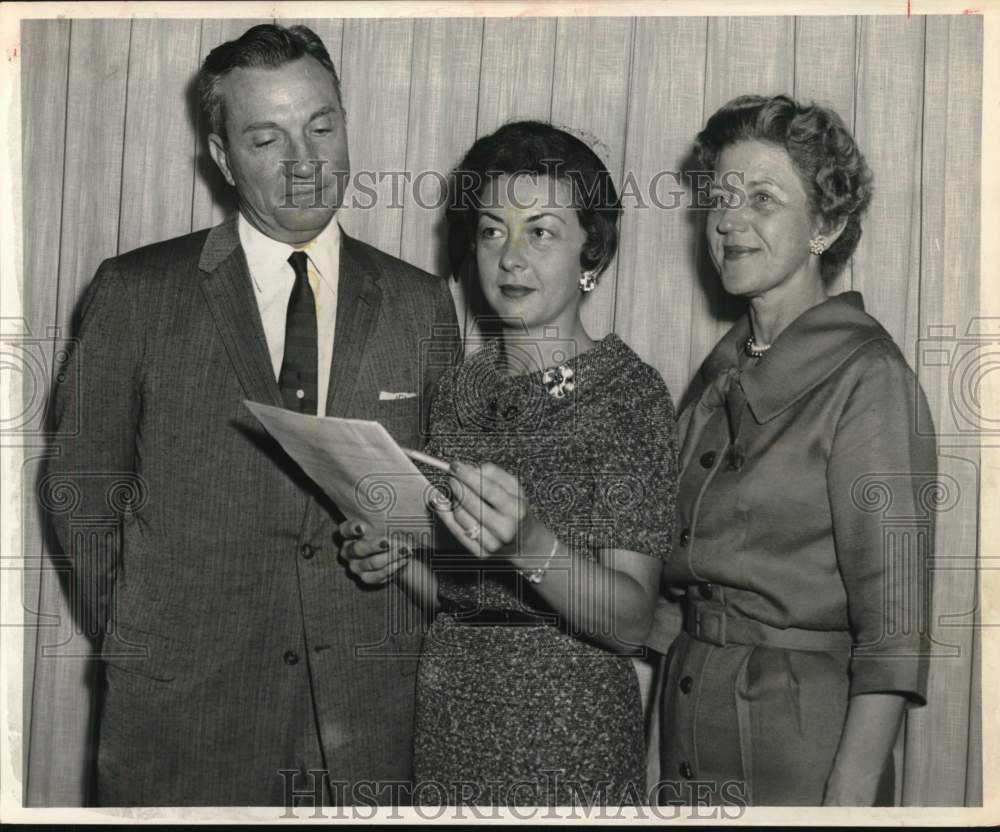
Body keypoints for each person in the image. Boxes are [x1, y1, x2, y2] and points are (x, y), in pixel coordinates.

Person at [43, 24, 457, 806]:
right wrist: (144, 639)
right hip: (184, 718)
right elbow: (82, 485)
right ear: (224, 156)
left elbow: (447, 501)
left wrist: (410, 549)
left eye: (322, 126)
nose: (305, 163)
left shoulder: (420, 302)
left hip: (369, 724)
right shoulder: (136, 292)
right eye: (268, 138)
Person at [341, 121, 679, 805]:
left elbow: (632, 620)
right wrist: (401, 560)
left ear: (594, 249)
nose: (510, 258)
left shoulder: (627, 394)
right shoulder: (460, 391)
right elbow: (470, 600)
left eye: (542, 231)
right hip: (450, 721)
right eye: (493, 230)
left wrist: (533, 545)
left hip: (567, 737)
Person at [654, 94, 937, 806]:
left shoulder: (869, 378)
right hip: (691, 719)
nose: (728, 219)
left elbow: (895, 629)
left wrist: (847, 799)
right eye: (720, 197)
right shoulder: (720, 375)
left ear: (827, 225)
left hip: (801, 748)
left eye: (762, 199)